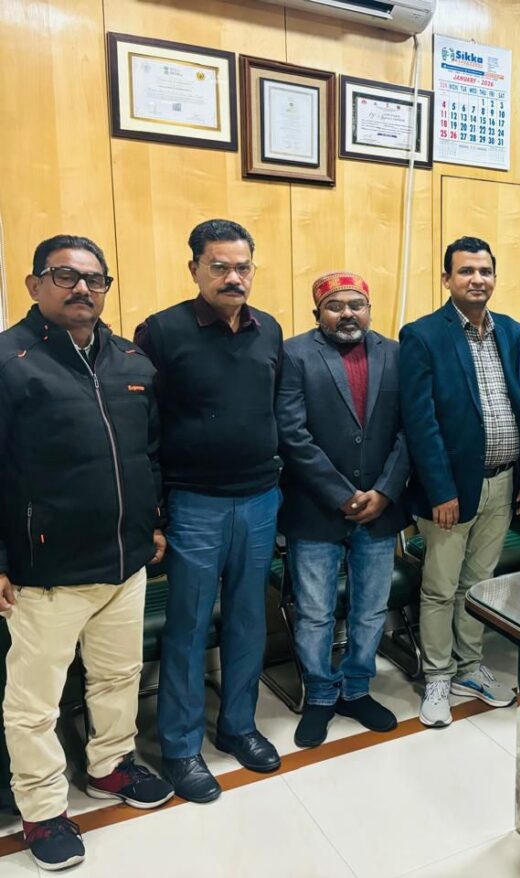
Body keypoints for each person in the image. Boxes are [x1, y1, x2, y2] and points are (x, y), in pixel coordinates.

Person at [0, 235, 172, 870]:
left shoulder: (131, 360)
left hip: (124, 563)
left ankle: (109, 767)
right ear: (34, 284)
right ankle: (42, 810)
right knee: (33, 704)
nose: (82, 289)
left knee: (118, 676)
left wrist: (154, 523)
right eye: (65, 276)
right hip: (44, 572)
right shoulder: (9, 362)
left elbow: (149, 455)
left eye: (94, 279)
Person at [135, 219, 284, 803]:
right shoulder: (162, 332)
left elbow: (275, 410)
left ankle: (238, 727)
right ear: (194, 268)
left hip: (260, 498)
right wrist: (155, 512)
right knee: (189, 625)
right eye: (219, 266)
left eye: (242, 267)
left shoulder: (268, 329)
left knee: (248, 619)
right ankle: (179, 747)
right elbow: (144, 428)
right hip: (194, 503)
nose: (233, 277)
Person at [277, 271, 411, 748]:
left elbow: (409, 430)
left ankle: (356, 689)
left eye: (357, 305)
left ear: (369, 309)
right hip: (315, 509)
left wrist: (385, 491)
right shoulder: (294, 354)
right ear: (318, 313)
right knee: (314, 612)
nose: (348, 313)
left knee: (371, 609)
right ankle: (319, 694)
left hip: (380, 509)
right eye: (336, 306)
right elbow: (291, 434)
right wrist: (341, 494)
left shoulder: (396, 353)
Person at [400, 237, 520, 728]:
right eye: (466, 271)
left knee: (479, 585)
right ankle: (437, 676)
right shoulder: (423, 335)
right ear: (446, 279)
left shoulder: (510, 331)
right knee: (440, 588)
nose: (477, 279)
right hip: (449, 491)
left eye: (485, 271)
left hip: (503, 481)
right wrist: (440, 491)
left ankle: (469, 668)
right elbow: (420, 421)